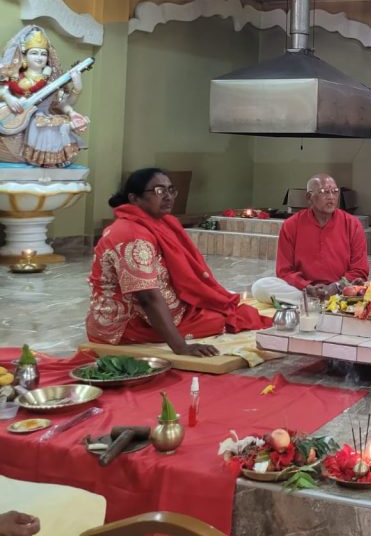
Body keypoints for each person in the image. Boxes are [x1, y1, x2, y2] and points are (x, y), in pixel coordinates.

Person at [86, 168, 270, 356]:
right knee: (220, 319)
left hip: (162, 307)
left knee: (220, 304)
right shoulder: (132, 235)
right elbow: (147, 297)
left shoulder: (157, 223)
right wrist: (180, 347)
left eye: (171, 190)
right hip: (128, 324)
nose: (168, 196)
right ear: (134, 198)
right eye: (159, 191)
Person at [252, 174, 369, 305]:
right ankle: (315, 301)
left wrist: (336, 286)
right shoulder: (291, 225)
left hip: (341, 288)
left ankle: (314, 303)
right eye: (324, 192)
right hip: (304, 290)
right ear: (309, 197)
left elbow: (360, 269)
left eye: (335, 192)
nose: (331, 197)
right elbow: (284, 271)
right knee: (260, 286)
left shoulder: (352, 224)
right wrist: (306, 287)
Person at [0, 25, 88, 166]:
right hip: (18, 121)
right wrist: (9, 98)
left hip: (43, 119)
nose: (39, 57)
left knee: (51, 125)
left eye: (43, 54)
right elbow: (2, 88)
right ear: (24, 55)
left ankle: (49, 159)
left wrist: (77, 91)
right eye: (34, 53)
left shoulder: (53, 80)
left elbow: (61, 104)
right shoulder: (15, 76)